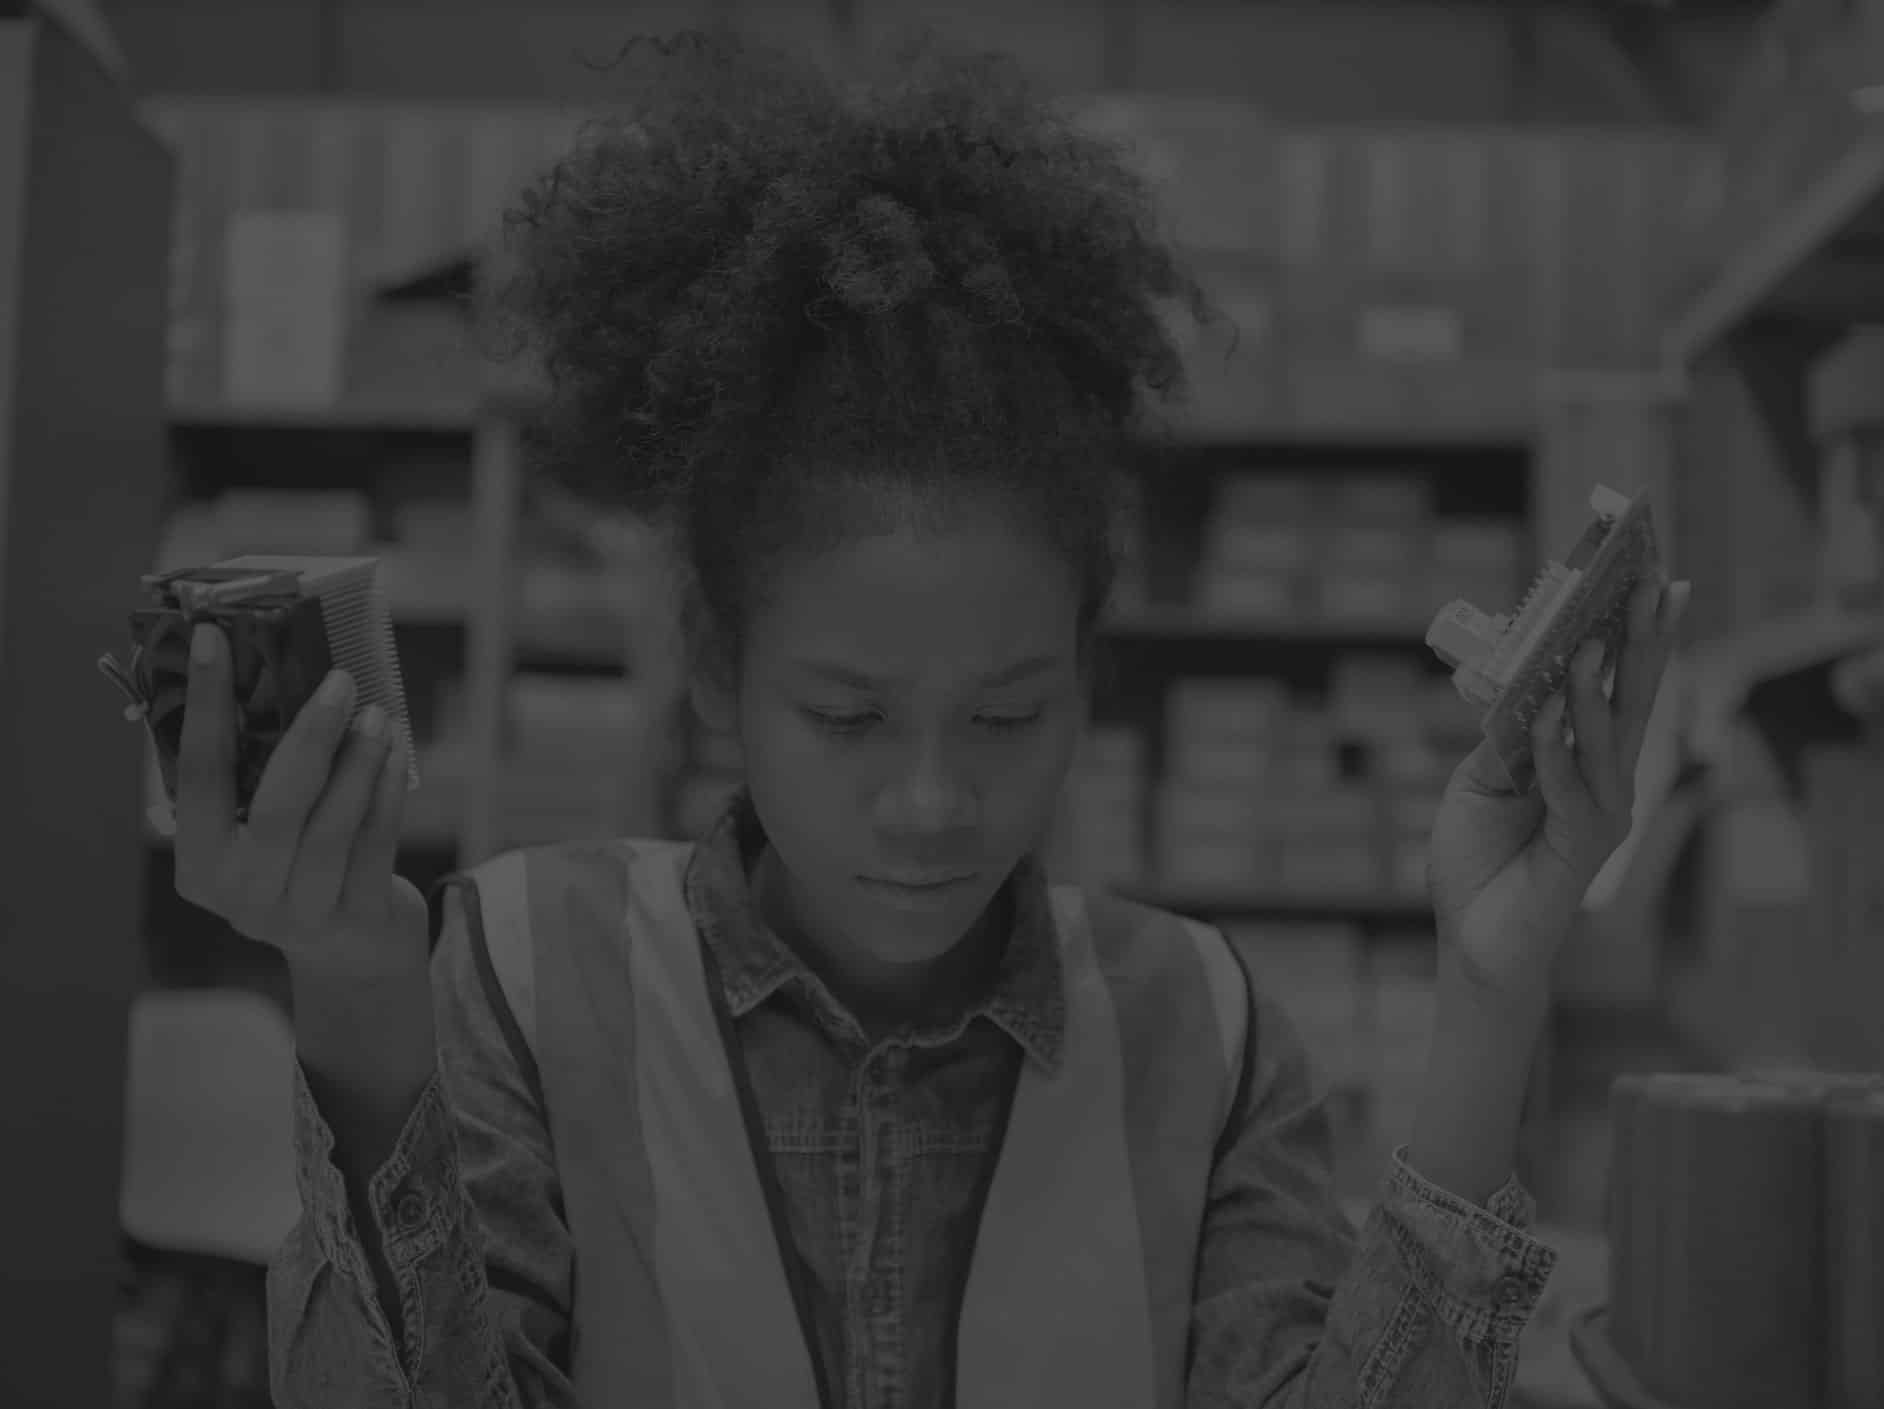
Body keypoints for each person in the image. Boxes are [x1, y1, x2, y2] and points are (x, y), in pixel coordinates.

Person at [171, 27, 1688, 1409]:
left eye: (1007, 713)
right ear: (716, 667)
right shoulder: (517, 972)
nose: (929, 800)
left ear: (1084, 672)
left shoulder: (1199, 1029)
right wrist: (357, 997)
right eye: (845, 714)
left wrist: (1493, 990)